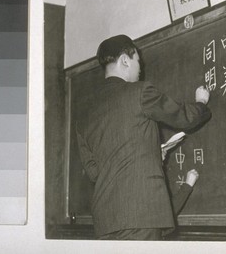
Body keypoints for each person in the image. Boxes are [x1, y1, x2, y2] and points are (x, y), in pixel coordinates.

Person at [76, 34, 211, 240]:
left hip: (105, 220)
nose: (141, 68)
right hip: (142, 216)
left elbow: (94, 171)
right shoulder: (139, 92)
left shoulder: (84, 114)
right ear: (124, 60)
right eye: (138, 61)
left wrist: (150, 155)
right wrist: (201, 103)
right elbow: (184, 117)